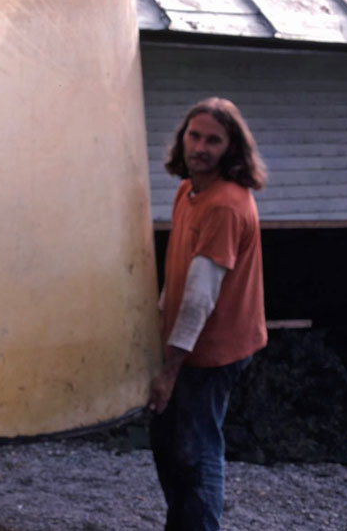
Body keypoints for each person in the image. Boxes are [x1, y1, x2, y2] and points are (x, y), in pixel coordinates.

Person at [147, 97, 268, 531]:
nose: (200, 146)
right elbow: (178, 276)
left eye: (213, 140)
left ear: (231, 149)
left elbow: (200, 298)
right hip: (186, 345)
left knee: (196, 454)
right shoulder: (189, 191)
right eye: (194, 136)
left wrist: (170, 369)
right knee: (170, 445)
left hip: (212, 351)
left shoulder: (224, 205)